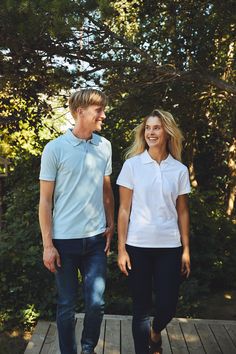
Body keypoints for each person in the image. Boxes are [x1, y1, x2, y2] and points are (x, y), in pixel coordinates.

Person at [39, 88, 114, 354]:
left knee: (96, 303)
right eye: (98, 111)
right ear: (80, 112)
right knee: (67, 305)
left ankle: (88, 349)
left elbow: (107, 191)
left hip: (95, 240)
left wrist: (111, 223)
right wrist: (48, 245)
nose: (103, 115)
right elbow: (45, 201)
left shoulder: (104, 146)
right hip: (63, 242)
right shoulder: (55, 149)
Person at [117, 109, 191, 354]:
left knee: (168, 306)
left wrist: (186, 249)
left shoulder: (179, 169)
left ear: (167, 131)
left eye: (156, 127)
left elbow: (182, 212)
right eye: (148, 128)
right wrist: (121, 249)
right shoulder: (132, 165)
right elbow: (124, 210)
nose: (151, 132)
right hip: (137, 246)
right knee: (140, 308)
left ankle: (155, 332)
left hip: (170, 247)